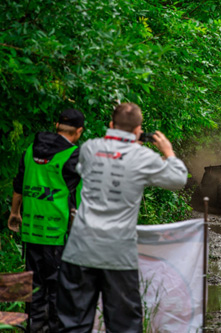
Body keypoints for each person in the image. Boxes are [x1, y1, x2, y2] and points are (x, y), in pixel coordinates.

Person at [56, 102, 188, 332]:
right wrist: (168, 152)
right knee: (124, 326)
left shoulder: (89, 148)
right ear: (138, 130)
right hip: (117, 255)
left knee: (72, 324)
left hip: (79, 249)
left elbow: (90, 165)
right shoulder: (143, 157)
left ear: (110, 125)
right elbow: (178, 179)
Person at [8, 108, 85, 333]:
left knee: (33, 286)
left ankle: (32, 328)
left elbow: (18, 186)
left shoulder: (30, 150)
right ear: (79, 131)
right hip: (58, 234)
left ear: (56, 125)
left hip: (31, 232)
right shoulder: (73, 156)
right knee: (58, 290)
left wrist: (15, 213)